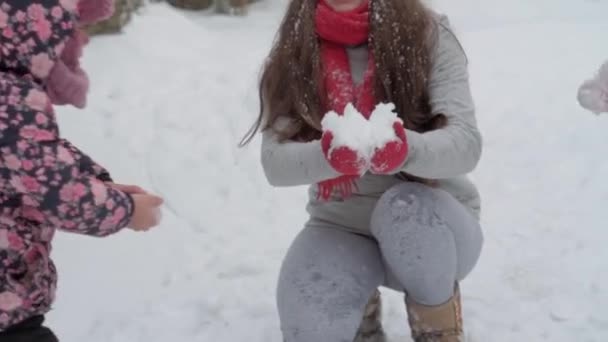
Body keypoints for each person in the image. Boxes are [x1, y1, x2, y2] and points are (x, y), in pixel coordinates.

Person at [241, 0, 484, 340]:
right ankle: (360, 318)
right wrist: (328, 156)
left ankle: (437, 329)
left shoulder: (429, 34)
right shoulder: (295, 48)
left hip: (435, 226)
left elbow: (466, 144)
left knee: (405, 209)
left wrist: (406, 151)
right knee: (308, 325)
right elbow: (275, 163)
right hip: (343, 225)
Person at [0, 1, 164, 341]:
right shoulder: (10, 97)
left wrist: (96, 180)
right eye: (74, 28)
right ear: (33, 32)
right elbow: (56, 193)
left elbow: (35, 159)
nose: (83, 40)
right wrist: (128, 212)